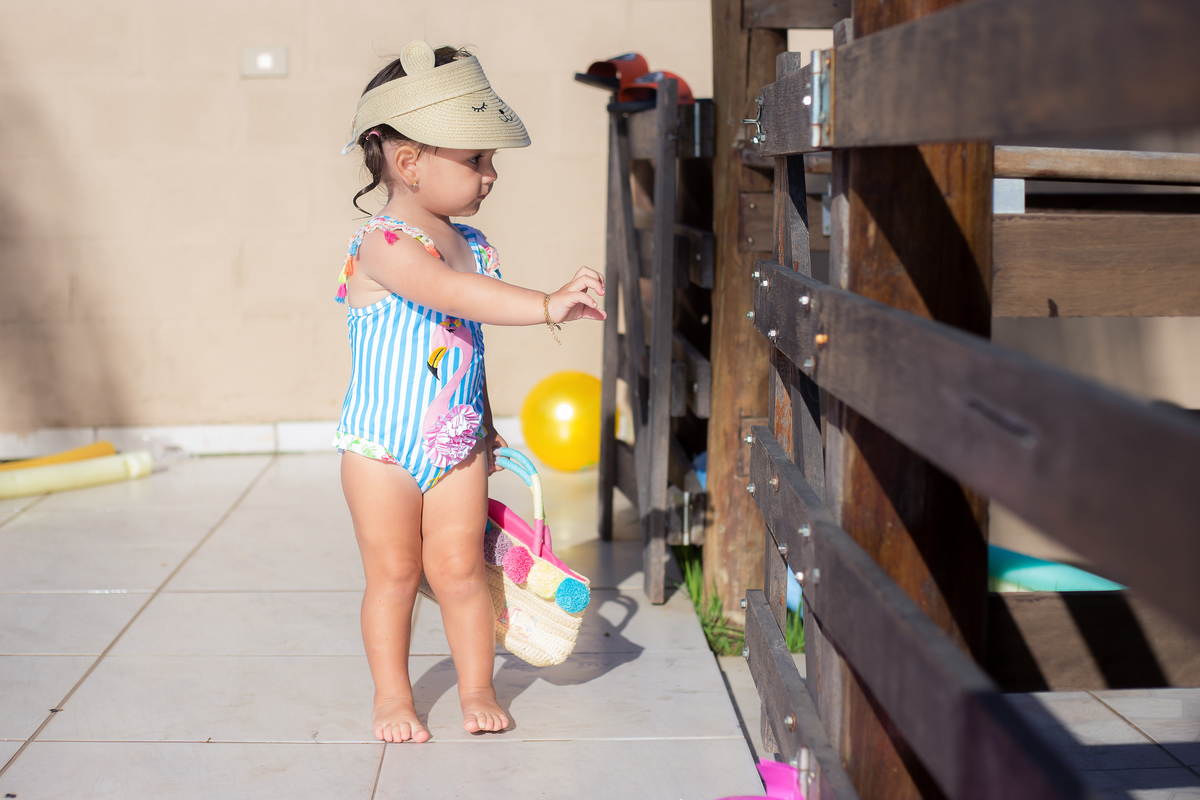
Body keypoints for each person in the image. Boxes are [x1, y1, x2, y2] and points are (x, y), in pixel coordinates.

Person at [333, 41, 605, 744]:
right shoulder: (384, 244)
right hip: (382, 450)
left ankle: (478, 687)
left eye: (491, 162)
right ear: (408, 162)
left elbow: (466, 344)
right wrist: (547, 304)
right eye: (476, 160)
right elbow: (452, 296)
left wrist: (482, 421)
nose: (490, 176)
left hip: (453, 444)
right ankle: (393, 696)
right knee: (394, 574)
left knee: (457, 570)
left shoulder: (474, 243)